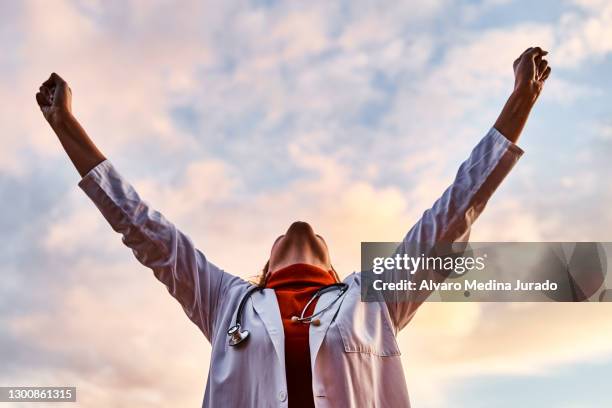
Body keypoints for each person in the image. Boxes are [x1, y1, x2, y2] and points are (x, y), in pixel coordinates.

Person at [36, 47, 551, 407]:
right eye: (284, 235)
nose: (298, 228)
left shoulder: (374, 297)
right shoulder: (223, 300)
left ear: (332, 264)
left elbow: (454, 211)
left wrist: (521, 100)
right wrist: (66, 126)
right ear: (265, 265)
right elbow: (143, 228)